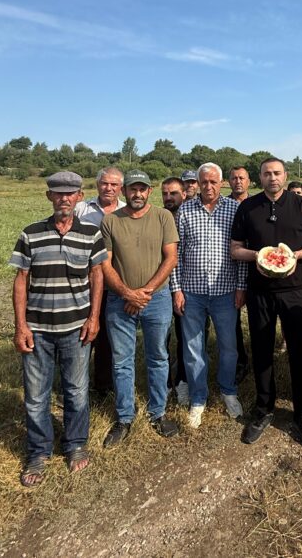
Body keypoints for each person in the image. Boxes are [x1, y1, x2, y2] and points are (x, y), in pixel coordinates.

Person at [10, 171, 107, 486]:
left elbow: (97, 276)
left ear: (79, 197)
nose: (64, 198)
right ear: (49, 196)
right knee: (36, 396)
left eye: (71, 193)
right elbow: (21, 280)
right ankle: (38, 451)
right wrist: (21, 325)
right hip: (37, 329)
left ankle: (76, 443)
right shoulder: (31, 234)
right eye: (58, 193)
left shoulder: (91, 234)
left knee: (76, 391)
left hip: (76, 328)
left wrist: (94, 318)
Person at [231, 157, 302, 447]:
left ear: (285, 176)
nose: (272, 178)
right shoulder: (247, 207)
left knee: (297, 352)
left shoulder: (300, 205)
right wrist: (258, 256)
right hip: (260, 292)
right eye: (267, 173)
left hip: (295, 291)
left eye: (277, 173)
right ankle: (263, 410)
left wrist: (296, 256)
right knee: (261, 350)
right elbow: (235, 249)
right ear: (260, 177)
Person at [101, 170, 180, 447]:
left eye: (142, 189)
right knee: (122, 360)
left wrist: (144, 293)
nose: (137, 194)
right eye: (132, 189)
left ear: (149, 192)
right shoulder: (111, 221)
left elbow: (171, 258)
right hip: (119, 301)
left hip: (155, 300)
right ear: (124, 192)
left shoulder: (163, 217)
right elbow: (105, 263)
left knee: (158, 356)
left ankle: (158, 412)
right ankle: (124, 417)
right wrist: (126, 292)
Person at [171, 163, 246, 429]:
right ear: (198, 184)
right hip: (192, 292)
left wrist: (241, 287)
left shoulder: (234, 209)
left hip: (225, 291)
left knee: (228, 347)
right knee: (193, 349)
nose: (209, 187)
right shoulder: (185, 210)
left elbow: (241, 256)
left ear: (222, 182)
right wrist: (176, 289)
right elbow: (175, 255)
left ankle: (228, 390)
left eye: (214, 182)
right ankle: (198, 398)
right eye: (204, 182)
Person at [75, 167, 125, 397]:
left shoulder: (126, 211)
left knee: (108, 337)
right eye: (105, 183)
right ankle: (77, 386)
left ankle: (103, 386)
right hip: (84, 285)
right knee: (82, 336)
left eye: (114, 185)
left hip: (114, 285)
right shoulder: (81, 210)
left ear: (121, 188)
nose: (109, 188)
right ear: (97, 185)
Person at [161, 177, 189, 406]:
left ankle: (182, 380)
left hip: (184, 287)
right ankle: (165, 383)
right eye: (166, 194)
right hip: (161, 286)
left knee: (184, 337)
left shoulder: (188, 215)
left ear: (184, 194)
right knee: (162, 339)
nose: (169, 198)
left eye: (174, 193)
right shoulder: (159, 217)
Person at [228, 166, 251, 384]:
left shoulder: (256, 205)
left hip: (254, 269)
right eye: (234, 178)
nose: (238, 182)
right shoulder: (224, 205)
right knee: (232, 322)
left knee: (255, 320)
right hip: (228, 272)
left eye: (241, 178)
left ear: (249, 181)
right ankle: (240, 361)